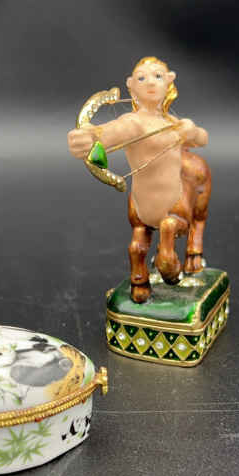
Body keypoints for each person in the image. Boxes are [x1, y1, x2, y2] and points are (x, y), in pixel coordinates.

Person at [67, 57, 211, 303]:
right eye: (142, 78)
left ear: (169, 82)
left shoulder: (172, 123)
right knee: (138, 243)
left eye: (158, 76)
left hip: (174, 199)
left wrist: (192, 130)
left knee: (172, 221)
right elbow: (110, 132)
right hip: (143, 203)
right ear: (131, 85)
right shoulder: (133, 123)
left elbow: (202, 139)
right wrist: (90, 137)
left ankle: (173, 256)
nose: (150, 82)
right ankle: (139, 278)